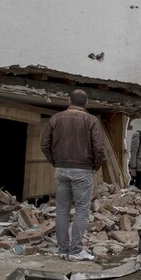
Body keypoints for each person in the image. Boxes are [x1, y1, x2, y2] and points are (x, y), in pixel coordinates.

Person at [40, 90, 105, 261]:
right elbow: (98, 148)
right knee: (81, 210)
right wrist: (95, 166)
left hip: (61, 169)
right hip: (83, 169)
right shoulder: (91, 120)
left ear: (69, 100)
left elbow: (44, 144)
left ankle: (63, 249)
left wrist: (55, 161)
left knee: (62, 209)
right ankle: (76, 251)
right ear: (87, 103)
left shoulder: (55, 118)